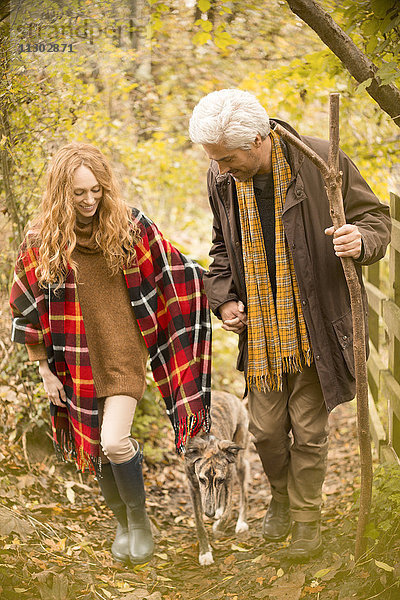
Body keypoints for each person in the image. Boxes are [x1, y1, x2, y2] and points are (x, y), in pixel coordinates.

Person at [189, 89, 391, 559]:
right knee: (263, 430)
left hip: (317, 326)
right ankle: (279, 497)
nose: (220, 168)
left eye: (227, 158)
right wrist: (224, 301)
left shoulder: (320, 162)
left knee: (310, 430)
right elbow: (221, 250)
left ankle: (305, 518)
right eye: (214, 160)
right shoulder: (221, 181)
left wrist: (360, 238)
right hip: (262, 333)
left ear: (259, 139)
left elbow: (378, 219)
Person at [9, 142, 211, 566]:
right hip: (74, 362)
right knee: (98, 447)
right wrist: (44, 370)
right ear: (61, 191)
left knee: (114, 440)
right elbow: (25, 307)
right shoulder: (41, 240)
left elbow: (178, 269)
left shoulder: (129, 225)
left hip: (122, 355)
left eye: (96, 191)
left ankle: (139, 521)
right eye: (79, 193)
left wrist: (225, 290)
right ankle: (122, 522)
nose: (88, 200)